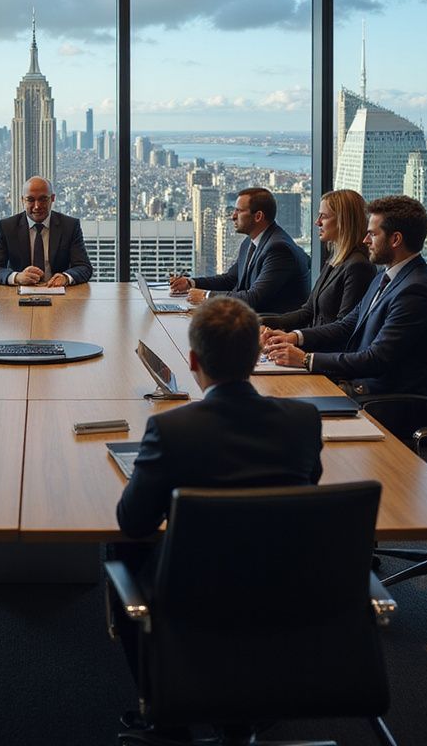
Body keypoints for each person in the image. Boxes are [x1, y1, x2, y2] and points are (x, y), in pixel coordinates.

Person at [113, 296, 322, 706]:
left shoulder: (170, 430)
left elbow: (132, 523)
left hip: (190, 591)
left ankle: (163, 703)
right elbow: (306, 491)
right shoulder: (303, 421)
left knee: (120, 551)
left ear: (192, 361)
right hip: (286, 584)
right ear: (255, 356)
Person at [264, 195, 427, 396]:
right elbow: (347, 325)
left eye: (373, 235)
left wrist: (306, 360)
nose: (365, 240)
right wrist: (294, 338)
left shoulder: (415, 291)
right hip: (359, 385)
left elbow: (376, 359)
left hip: (385, 400)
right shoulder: (386, 276)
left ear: (395, 239)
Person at [170, 187, 309, 315]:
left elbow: (254, 298)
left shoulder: (279, 249)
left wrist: (206, 296)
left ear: (258, 216)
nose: (233, 216)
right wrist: (191, 283)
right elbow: (230, 279)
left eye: (239, 211)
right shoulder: (250, 242)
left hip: (273, 330)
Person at [260, 188, 376, 334]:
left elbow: (344, 329)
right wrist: (260, 321)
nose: (317, 222)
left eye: (324, 216)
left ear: (343, 221)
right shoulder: (336, 259)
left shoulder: (358, 266)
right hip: (314, 346)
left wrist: (295, 339)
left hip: (327, 353)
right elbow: (308, 312)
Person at [0, 175, 93, 286]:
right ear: (23, 200)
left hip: (59, 294)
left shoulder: (69, 226)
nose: (37, 206)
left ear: (53, 198)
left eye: (43, 199)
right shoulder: (7, 227)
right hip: (18, 295)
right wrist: (17, 277)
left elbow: (84, 267)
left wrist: (65, 277)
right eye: (30, 200)